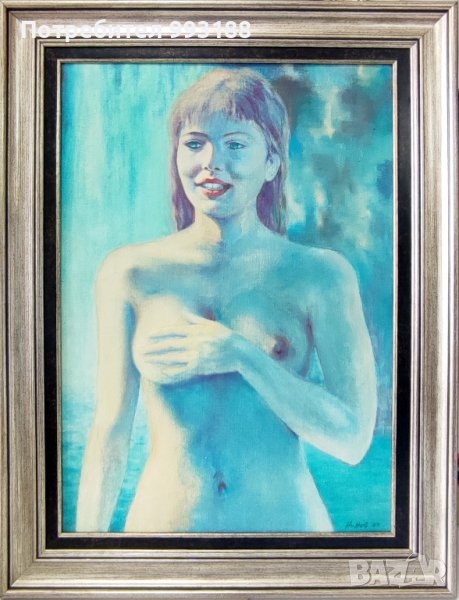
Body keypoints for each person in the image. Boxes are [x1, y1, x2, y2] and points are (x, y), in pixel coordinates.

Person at [76, 67, 377, 533]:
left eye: (235, 145)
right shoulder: (128, 272)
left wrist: (240, 355)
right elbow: (110, 432)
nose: (211, 163)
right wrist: (84, 552)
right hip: (166, 536)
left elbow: (352, 441)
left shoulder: (322, 275)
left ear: (272, 162)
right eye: (195, 143)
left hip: (289, 537)